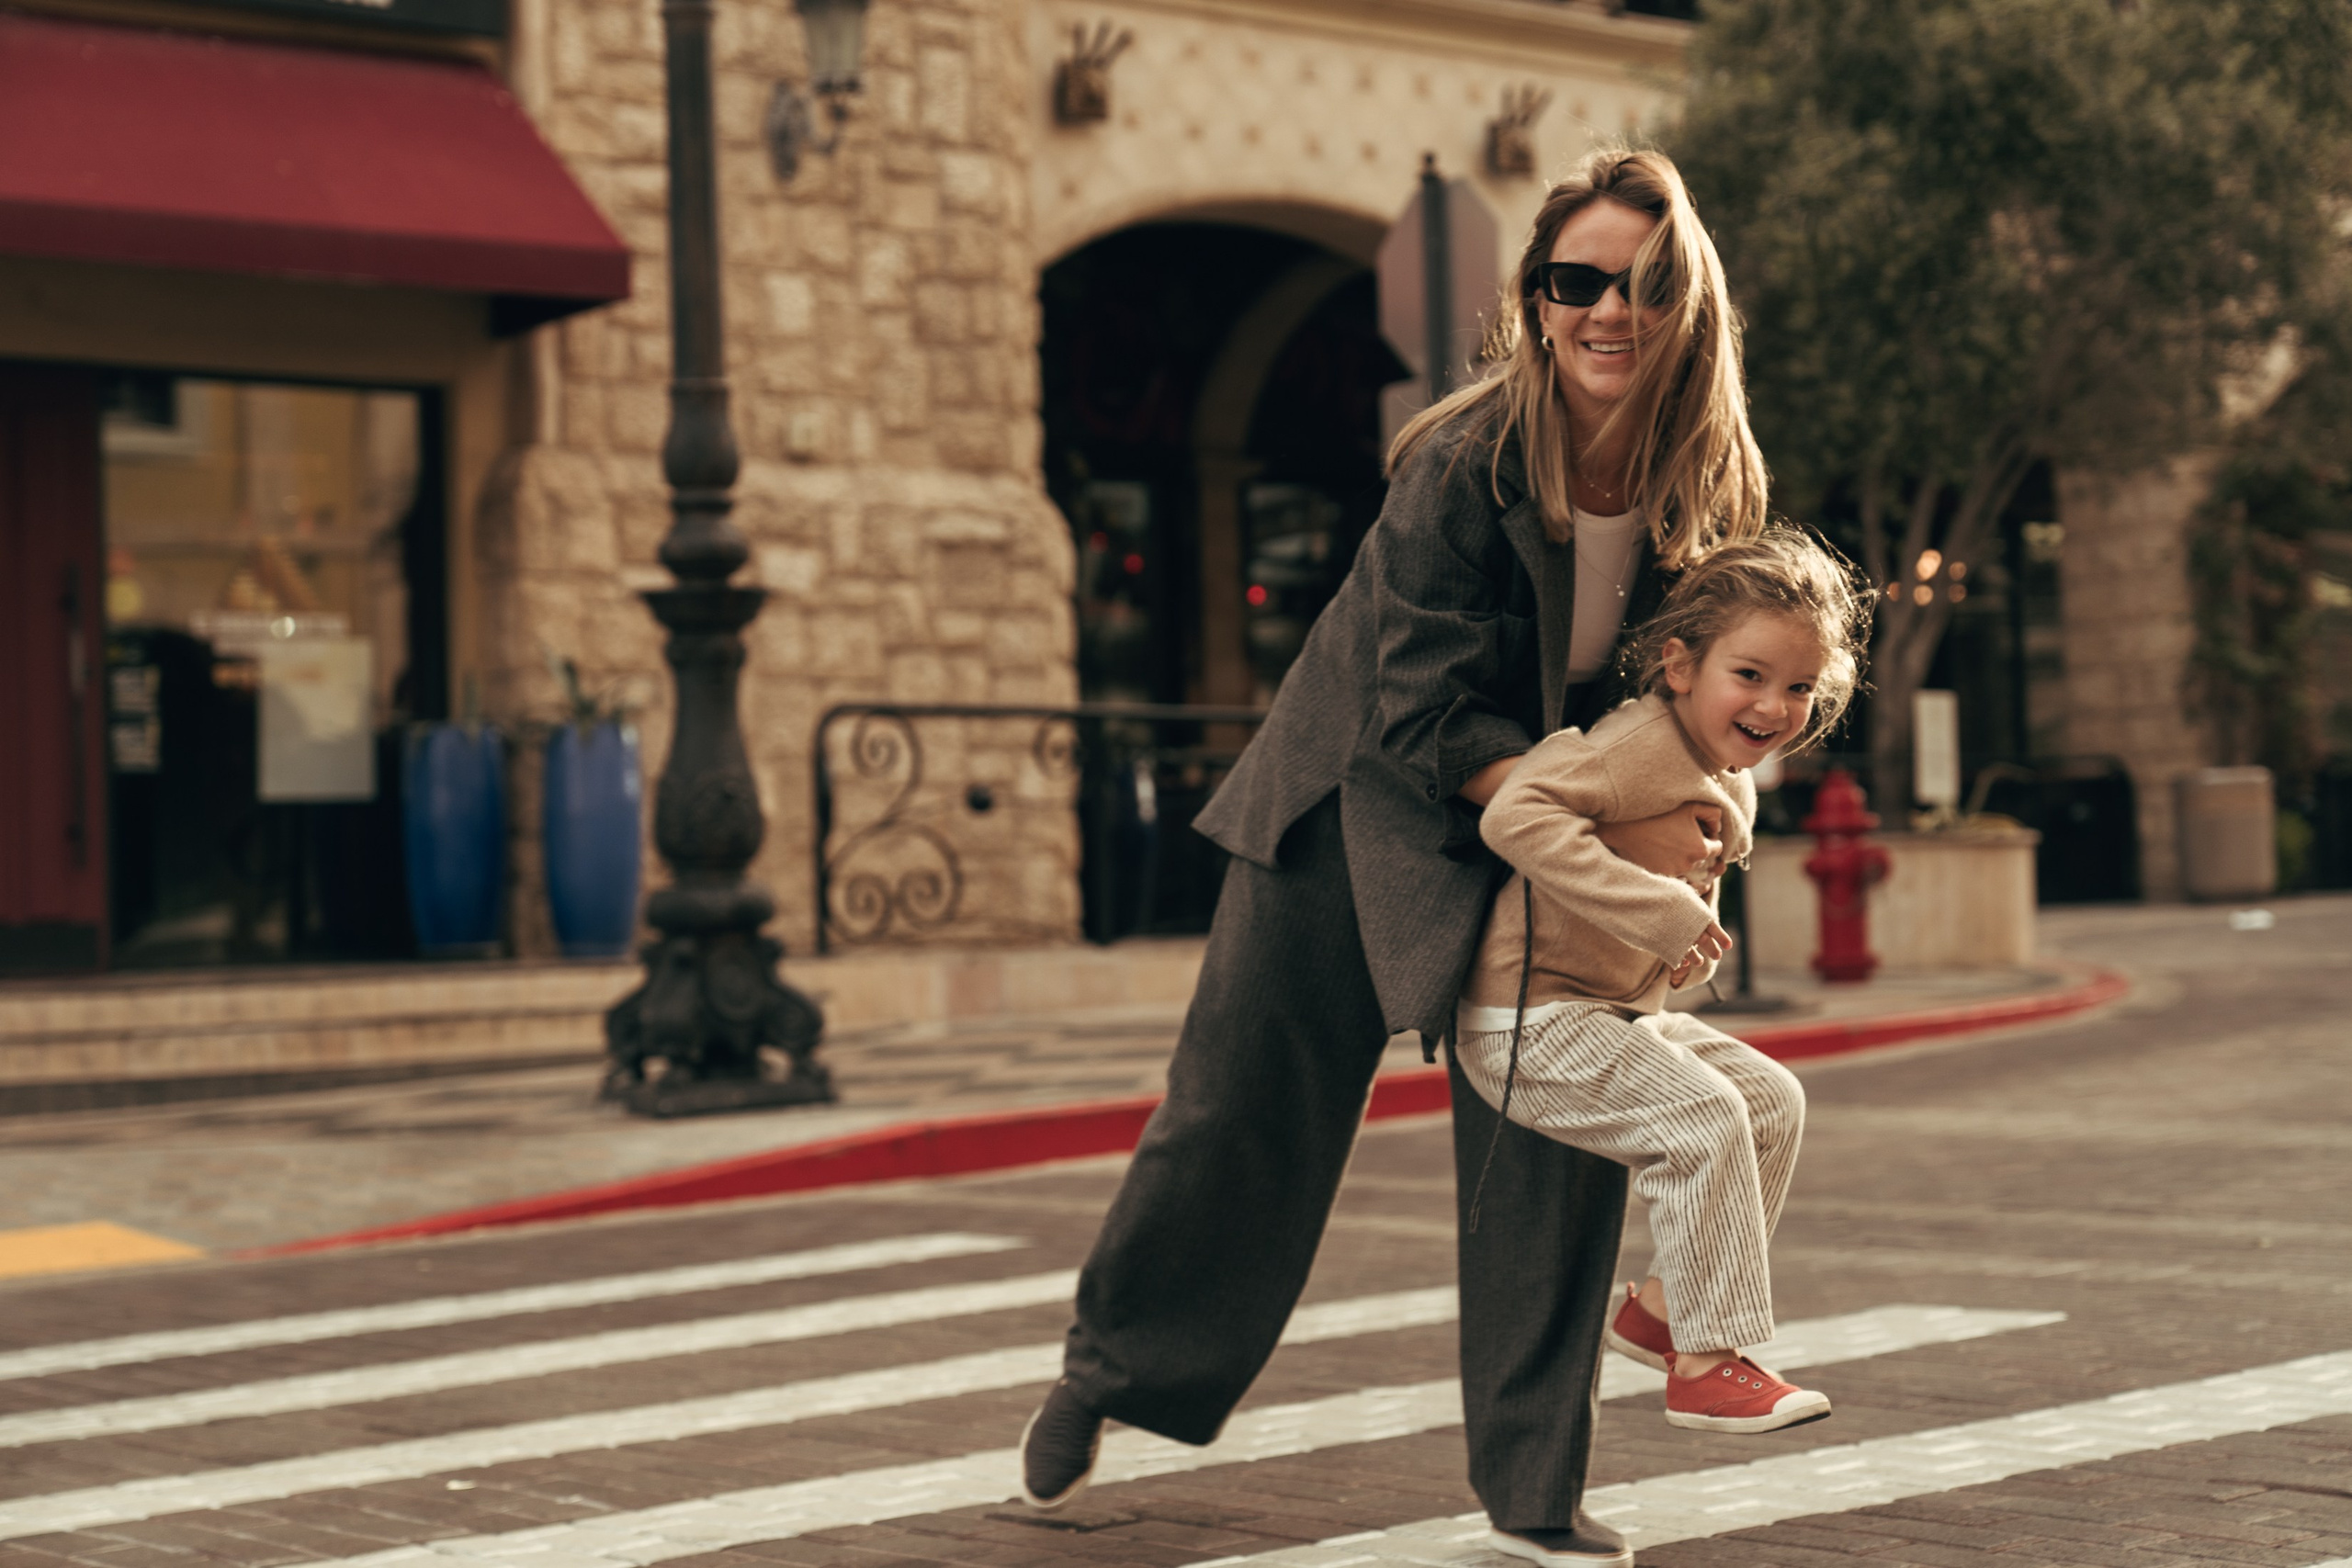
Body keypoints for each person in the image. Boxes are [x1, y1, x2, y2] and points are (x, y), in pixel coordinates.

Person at [1019, 147, 1770, 1568]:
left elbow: (1696, 698)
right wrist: (1561, 801)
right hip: (1347, 800)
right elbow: (1420, 707)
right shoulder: (1463, 456)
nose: (1610, 310)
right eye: (1578, 280)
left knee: (1560, 1129)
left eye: (1646, 282)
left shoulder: (1707, 482)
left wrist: (1676, 832)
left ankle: (1535, 1487)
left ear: (1692, 302)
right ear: (1540, 299)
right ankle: (1112, 1370)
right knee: (1241, 1112)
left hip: (1538, 827)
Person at [1455, 532, 1868, 1448]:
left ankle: (1660, 1314)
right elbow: (1516, 811)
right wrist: (1659, 914)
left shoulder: (1727, 772)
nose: (1774, 706)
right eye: (1751, 675)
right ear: (1679, 667)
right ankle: (1708, 1367)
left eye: (1799, 688)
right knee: (1704, 1118)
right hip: (1527, 1022)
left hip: (1609, 1013)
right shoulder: (1637, 742)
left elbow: (1685, 902)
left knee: (1769, 1100)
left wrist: (1686, 945)